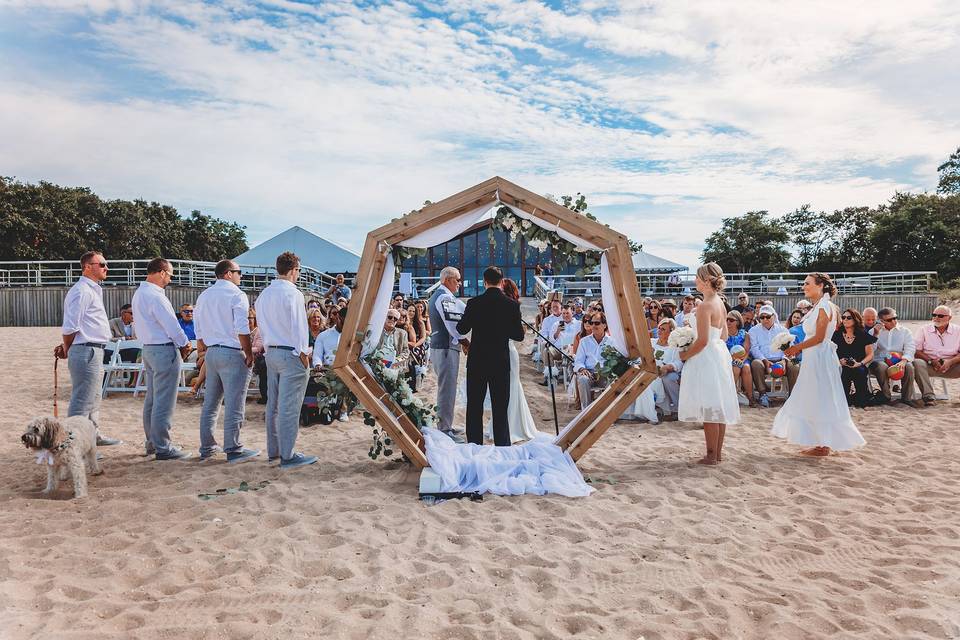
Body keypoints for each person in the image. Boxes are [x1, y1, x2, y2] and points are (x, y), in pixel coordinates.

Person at [772, 273, 865, 456]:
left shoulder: (824, 306)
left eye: (807, 283)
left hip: (819, 357)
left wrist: (796, 348)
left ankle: (824, 445)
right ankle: (820, 441)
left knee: (821, 397)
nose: (803, 286)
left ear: (820, 285)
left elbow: (820, 337)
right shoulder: (819, 307)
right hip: (814, 356)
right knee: (814, 396)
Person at [255, 251, 317, 469]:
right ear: (293, 270)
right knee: (289, 407)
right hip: (291, 352)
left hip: (271, 351)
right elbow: (299, 326)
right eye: (298, 270)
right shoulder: (293, 293)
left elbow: (260, 326)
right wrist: (303, 354)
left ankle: (275, 451)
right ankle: (288, 455)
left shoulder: (264, 295)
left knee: (273, 405)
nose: (298, 274)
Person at [54, 250, 122, 447]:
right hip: (86, 349)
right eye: (101, 264)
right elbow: (70, 326)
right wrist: (67, 348)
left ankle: (93, 435)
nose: (106, 268)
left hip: (94, 348)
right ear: (87, 267)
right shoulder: (81, 291)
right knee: (82, 400)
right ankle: (74, 444)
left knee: (94, 397)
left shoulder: (92, 289)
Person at [194, 259, 259, 463]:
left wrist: (202, 350)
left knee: (210, 403)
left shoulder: (204, 295)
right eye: (239, 272)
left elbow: (199, 328)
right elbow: (242, 327)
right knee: (234, 403)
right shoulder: (236, 295)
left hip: (212, 352)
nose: (241, 276)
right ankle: (233, 448)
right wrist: (248, 353)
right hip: (231, 352)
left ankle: (207, 447)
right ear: (228, 273)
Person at [678, 263, 740, 465]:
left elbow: (703, 341)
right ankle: (717, 453)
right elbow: (723, 334)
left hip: (706, 357)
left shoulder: (705, 306)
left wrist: (685, 354)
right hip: (719, 353)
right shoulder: (720, 303)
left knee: (709, 407)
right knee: (717, 405)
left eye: (697, 277)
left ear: (706, 281)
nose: (695, 281)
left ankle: (711, 455)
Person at [132, 258, 193, 460]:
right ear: (161, 272)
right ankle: (163, 446)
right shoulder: (156, 296)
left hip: (148, 349)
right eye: (169, 274)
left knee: (152, 399)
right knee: (164, 402)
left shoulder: (140, 293)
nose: (169, 279)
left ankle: (152, 443)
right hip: (163, 349)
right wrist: (185, 343)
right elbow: (172, 326)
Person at [456, 267, 524, 446]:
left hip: (477, 360)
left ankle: (474, 444)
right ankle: (502, 445)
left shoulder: (474, 303)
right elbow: (519, 335)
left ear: (484, 282)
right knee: (500, 407)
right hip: (500, 361)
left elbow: (462, 329)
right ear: (501, 282)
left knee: (474, 405)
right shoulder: (512, 305)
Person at [489, 278, 538, 443]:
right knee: (504, 388)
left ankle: (513, 427)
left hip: (508, 350)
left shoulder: (510, 307)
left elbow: (518, 334)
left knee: (511, 386)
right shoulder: (508, 306)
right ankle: (504, 426)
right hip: (505, 349)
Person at [429, 266, 469, 439]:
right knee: (447, 390)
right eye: (457, 280)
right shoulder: (444, 297)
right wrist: (465, 341)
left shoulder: (443, 296)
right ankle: (445, 429)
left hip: (442, 347)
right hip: (445, 347)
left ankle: (447, 424)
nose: (459, 283)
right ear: (446, 280)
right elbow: (453, 325)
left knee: (448, 388)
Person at [748, 305, 799, 407]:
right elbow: (754, 348)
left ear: (774, 317)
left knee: (795, 364)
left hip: (782, 359)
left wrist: (784, 360)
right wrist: (764, 360)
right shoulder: (753, 330)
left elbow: (790, 347)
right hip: (763, 360)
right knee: (755, 364)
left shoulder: (783, 330)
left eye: (768, 317)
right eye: (762, 317)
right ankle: (763, 395)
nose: (765, 319)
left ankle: (792, 397)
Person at [913, 305, 960, 407]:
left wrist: (950, 362)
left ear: (950, 318)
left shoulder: (958, 331)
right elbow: (916, 351)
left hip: (952, 366)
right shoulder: (924, 329)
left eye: (940, 316)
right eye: (934, 315)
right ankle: (929, 397)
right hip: (929, 365)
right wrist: (931, 361)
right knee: (917, 363)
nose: (936, 318)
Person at [870, 307, 917, 406]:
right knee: (881, 366)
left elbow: (910, 348)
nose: (894, 321)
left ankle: (906, 398)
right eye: (889, 320)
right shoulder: (873, 331)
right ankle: (886, 396)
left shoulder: (905, 331)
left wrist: (904, 361)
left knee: (908, 366)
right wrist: (876, 334)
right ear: (881, 321)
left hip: (899, 359)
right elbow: (870, 350)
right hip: (881, 360)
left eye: (895, 318)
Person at [831, 308, 877, 408]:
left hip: (858, 365)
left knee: (862, 401)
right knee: (844, 373)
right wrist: (839, 361)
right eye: (843, 317)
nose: (845, 320)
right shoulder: (836, 335)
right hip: (841, 366)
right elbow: (830, 353)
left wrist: (860, 363)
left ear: (855, 319)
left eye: (848, 317)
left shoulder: (863, 334)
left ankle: (860, 397)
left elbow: (870, 355)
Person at [574, 312, 613, 411]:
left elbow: (615, 360)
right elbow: (578, 360)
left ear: (604, 325)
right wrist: (582, 369)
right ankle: (586, 412)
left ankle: (607, 412)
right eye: (592, 323)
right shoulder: (584, 341)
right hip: (589, 372)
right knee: (582, 379)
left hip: (605, 373)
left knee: (612, 379)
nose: (593, 326)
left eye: (597, 323)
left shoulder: (612, 341)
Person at [651, 317, 683, 417]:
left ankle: (676, 408)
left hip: (665, 373)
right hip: (650, 372)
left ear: (670, 332)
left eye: (663, 329)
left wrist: (668, 367)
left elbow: (679, 363)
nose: (659, 331)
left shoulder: (674, 346)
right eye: (659, 328)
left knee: (670, 377)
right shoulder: (651, 342)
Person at [725, 310, 755, 408]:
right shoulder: (723, 333)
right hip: (727, 359)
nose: (728, 322)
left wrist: (741, 360)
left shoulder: (744, 334)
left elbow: (746, 350)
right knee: (736, 367)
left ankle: (751, 398)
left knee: (746, 367)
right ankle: (729, 396)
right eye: (727, 319)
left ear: (737, 322)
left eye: (731, 320)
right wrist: (733, 359)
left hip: (743, 358)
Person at [405, 303, 428, 392]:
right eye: (410, 311)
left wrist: (416, 345)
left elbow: (423, 337)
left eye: (413, 311)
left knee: (415, 353)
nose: (411, 313)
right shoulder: (404, 321)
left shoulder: (420, 322)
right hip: (407, 343)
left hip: (418, 344)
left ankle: (415, 379)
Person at [249, 307, 268, 404]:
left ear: (255, 319)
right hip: (242, 356)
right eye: (246, 318)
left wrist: (244, 350)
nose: (248, 320)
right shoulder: (240, 331)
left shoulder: (259, 331)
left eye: (250, 318)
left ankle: (265, 395)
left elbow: (258, 348)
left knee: (263, 365)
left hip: (256, 357)